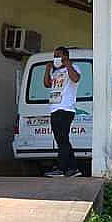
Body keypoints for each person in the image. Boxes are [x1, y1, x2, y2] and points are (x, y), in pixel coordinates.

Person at [43, 46, 82, 177]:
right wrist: (48, 69)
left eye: (58, 55)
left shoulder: (74, 68)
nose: (56, 58)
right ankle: (73, 168)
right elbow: (47, 84)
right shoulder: (55, 71)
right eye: (54, 55)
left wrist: (68, 65)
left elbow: (75, 79)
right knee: (61, 140)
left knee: (62, 139)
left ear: (65, 56)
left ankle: (61, 167)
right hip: (54, 108)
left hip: (66, 109)